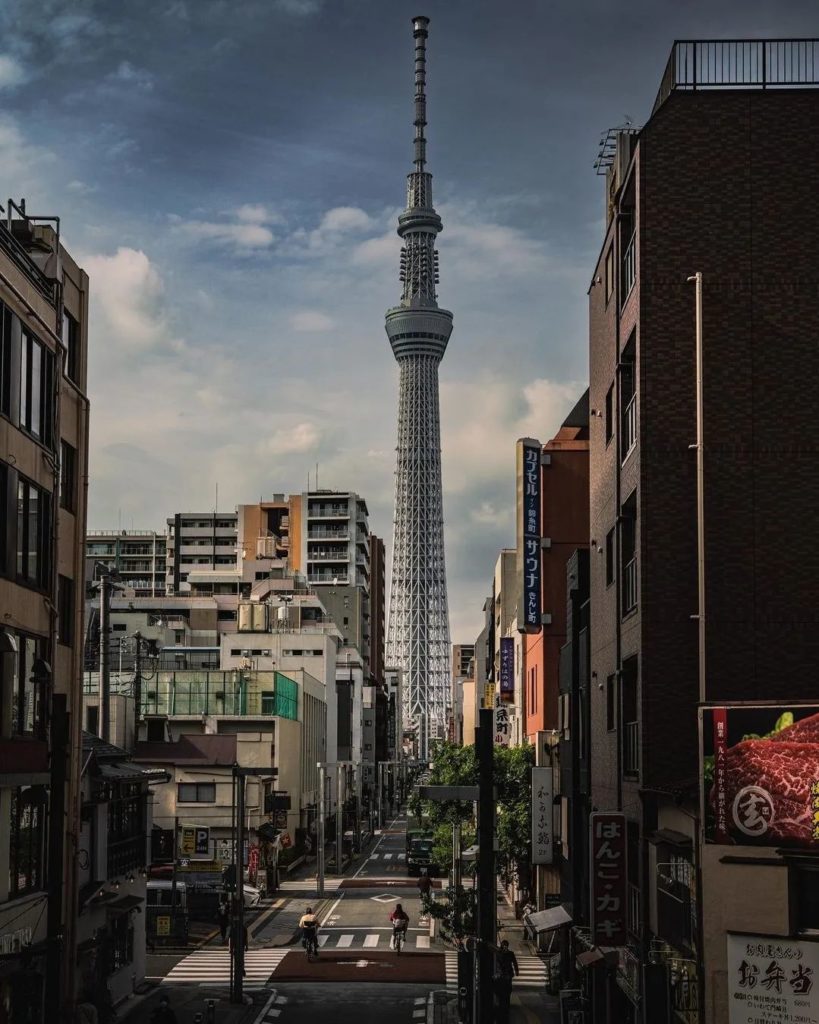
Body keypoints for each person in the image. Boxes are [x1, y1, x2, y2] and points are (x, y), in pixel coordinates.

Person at [493, 939, 520, 1024]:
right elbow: (497, 964)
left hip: (507, 975)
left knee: (507, 990)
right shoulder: (498, 953)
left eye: (506, 946)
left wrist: (517, 971)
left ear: (507, 946)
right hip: (501, 975)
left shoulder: (510, 954)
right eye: (503, 945)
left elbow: (514, 962)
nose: (505, 947)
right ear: (502, 946)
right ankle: (501, 1007)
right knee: (502, 991)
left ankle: (506, 1006)